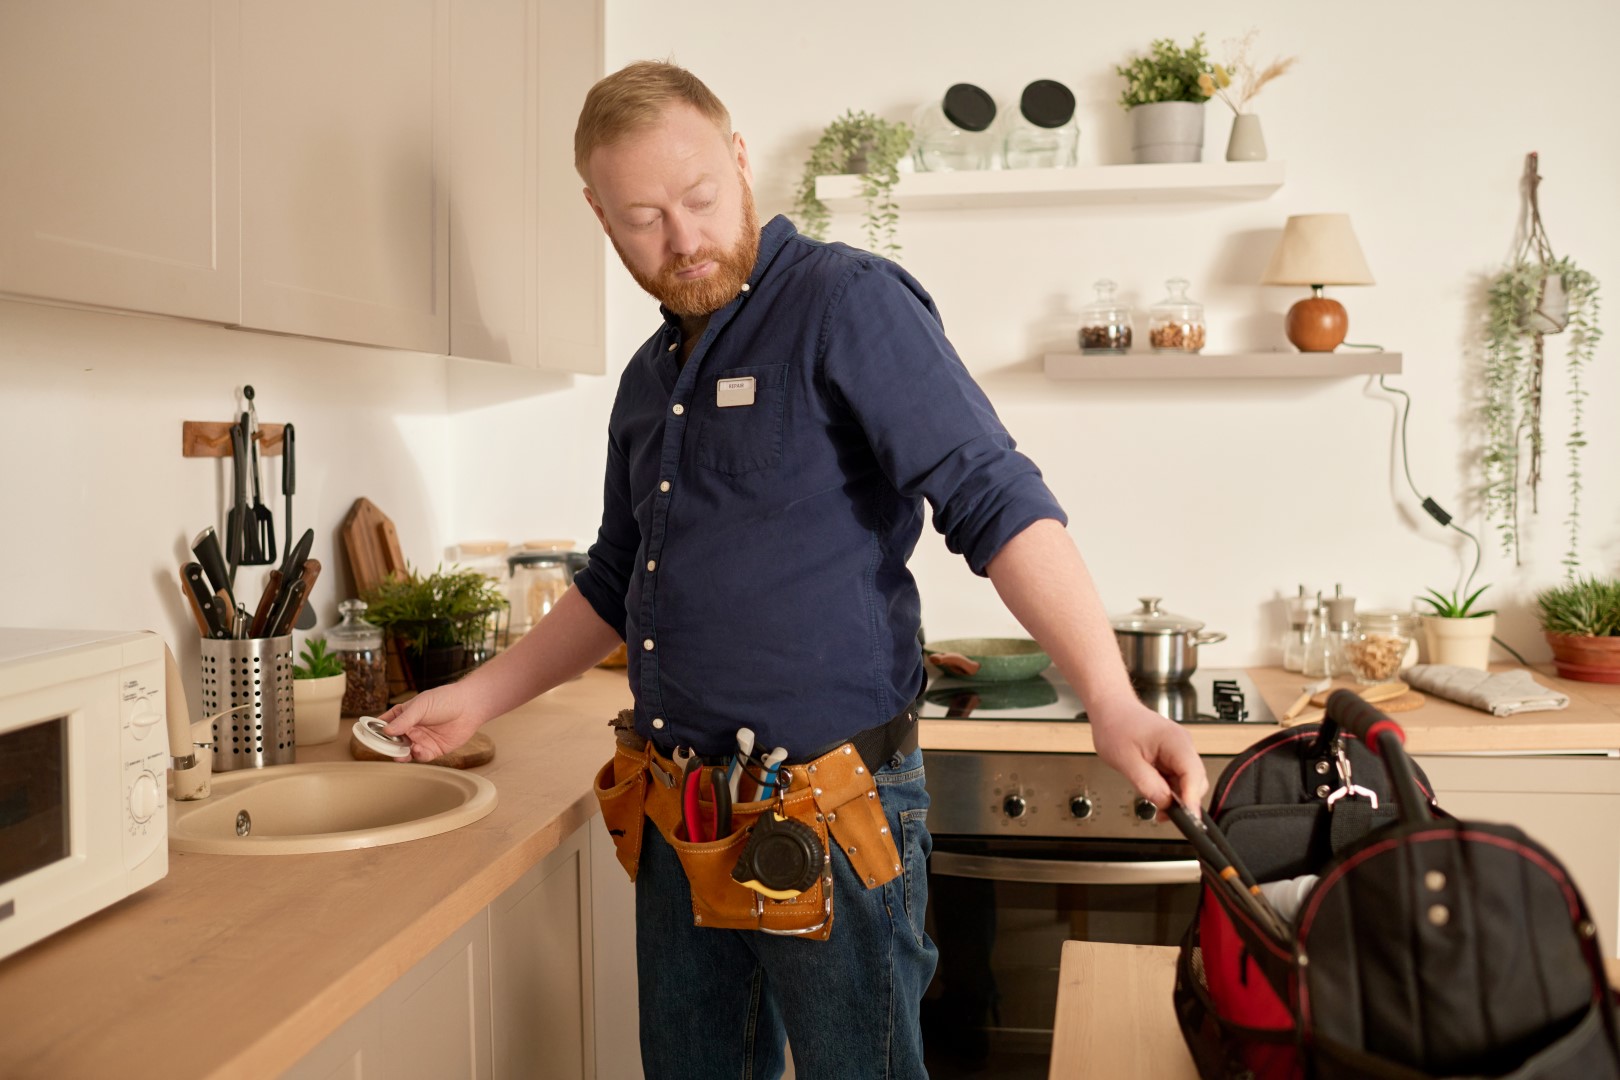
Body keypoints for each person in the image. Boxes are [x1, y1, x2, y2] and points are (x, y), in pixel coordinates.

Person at [380, 60, 1207, 1080]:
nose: (683, 242)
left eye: (700, 199)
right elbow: (612, 578)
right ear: (598, 214)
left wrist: (1110, 700)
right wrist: (475, 697)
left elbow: (994, 498)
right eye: (644, 218)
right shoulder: (648, 384)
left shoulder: (844, 303)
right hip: (677, 814)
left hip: (832, 811)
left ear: (739, 162)